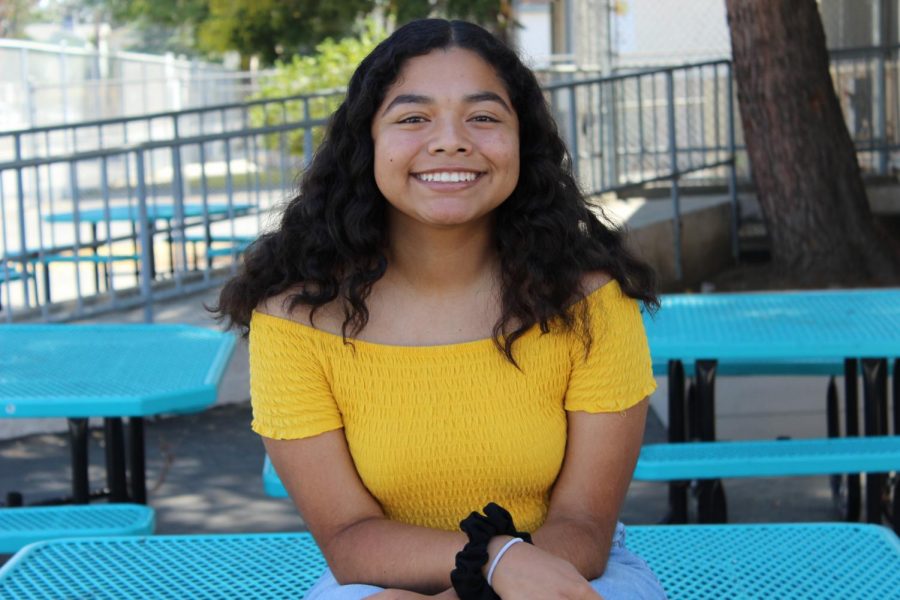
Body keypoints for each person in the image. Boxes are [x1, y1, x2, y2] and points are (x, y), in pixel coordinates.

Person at [217, 18, 665, 600]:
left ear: (521, 142)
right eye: (412, 118)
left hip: (564, 570)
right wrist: (493, 558)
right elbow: (350, 539)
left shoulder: (590, 301)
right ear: (366, 143)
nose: (451, 140)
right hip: (380, 578)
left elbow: (584, 526)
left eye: (483, 117)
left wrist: (478, 588)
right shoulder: (294, 318)